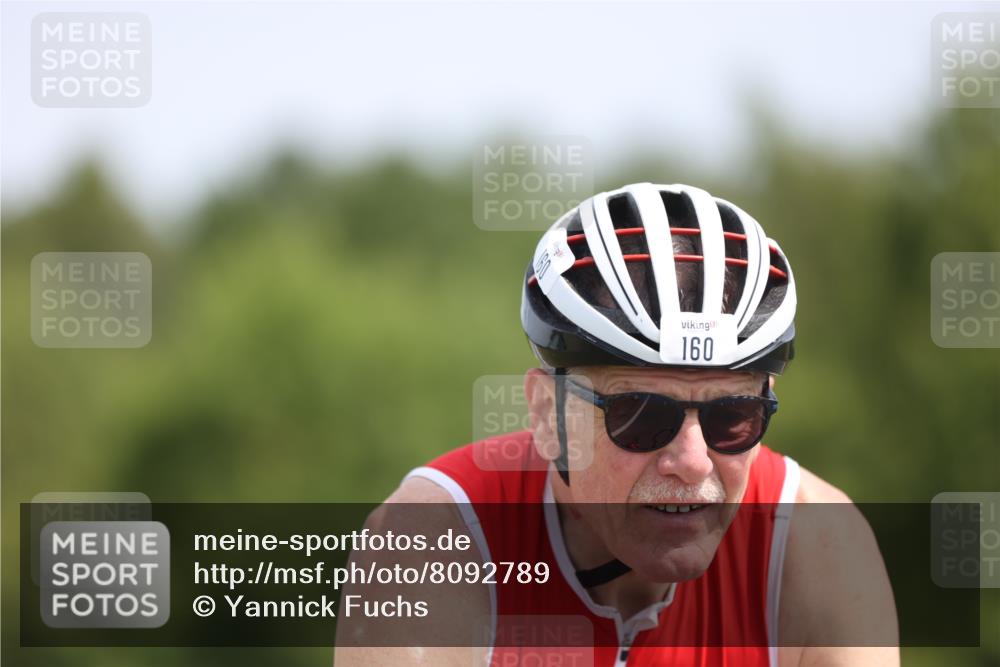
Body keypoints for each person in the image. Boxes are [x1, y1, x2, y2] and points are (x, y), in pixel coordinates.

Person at [335, 183, 899, 666]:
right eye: (641, 416)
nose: (693, 461)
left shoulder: (819, 543)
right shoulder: (432, 545)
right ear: (546, 417)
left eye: (733, 417)